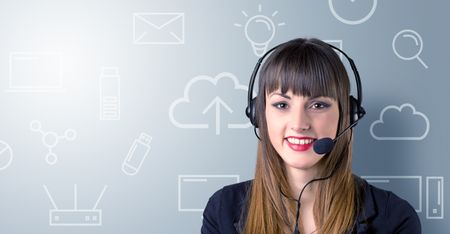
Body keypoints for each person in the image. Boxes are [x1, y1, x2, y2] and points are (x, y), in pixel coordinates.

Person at [201, 38, 421, 234]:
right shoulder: (223, 210)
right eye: (281, 104)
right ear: (259, 114)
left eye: (318, 105)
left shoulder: (394, 218)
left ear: (347, 115)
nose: (299, 124)